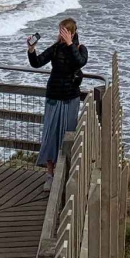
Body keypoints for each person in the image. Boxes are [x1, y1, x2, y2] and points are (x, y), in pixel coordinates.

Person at [27, 17, 89, 185]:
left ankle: (66, 174)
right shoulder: (55, 48)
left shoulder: (80, 48)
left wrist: (70, 45)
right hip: (53, 96)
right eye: (60, 30)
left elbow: (80, 62)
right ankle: (49, 174)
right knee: (51, 134)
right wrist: (31, 49)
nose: (61, 34)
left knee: (68, 135)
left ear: (72, 32)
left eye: (64, 31)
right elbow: (37, 63)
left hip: (70, 98)